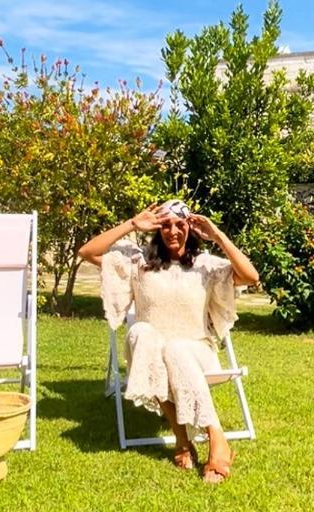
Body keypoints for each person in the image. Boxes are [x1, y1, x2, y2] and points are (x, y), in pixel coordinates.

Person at [78, 200, 259, 483]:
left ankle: (215, 436)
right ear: (156, 230)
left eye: (179, 225)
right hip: (154, 357)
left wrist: (218, 235)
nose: (172, 232)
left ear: (190, 228)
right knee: (142, 333)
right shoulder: (139, 263)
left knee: (175, 348)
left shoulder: (206, 266)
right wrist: (131, 224)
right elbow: (87, 251)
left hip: (198, 354)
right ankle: (182, 439)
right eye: (165, 226)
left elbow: (250, 276)